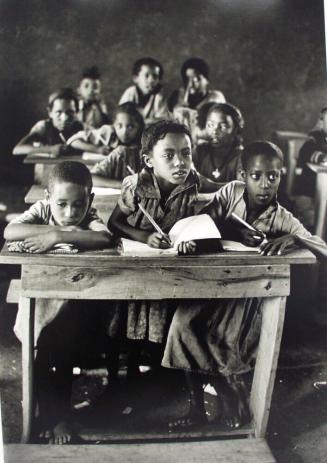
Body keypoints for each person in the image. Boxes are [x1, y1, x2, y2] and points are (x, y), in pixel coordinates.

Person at [162, 141, 326, 430]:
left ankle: (230, 391)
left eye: (273, 176)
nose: (265, 185)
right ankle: (202, 404)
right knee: (181, 326)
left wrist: (293, 239)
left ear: (280, 175)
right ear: (243, 174)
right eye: (256, 175)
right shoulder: (230, 192)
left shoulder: (280, 217)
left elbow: (320, 246)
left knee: (222, 340)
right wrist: (225, 231)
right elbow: (204, 223)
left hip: (244, 298)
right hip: (211, 285)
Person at [4, 161, 112, 444]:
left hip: (75, 308)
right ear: (47, 198)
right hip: (42, 306)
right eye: (61, 204)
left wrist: (58, 235)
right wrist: (51, 231)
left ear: (89, 200)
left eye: (78, 205)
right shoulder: (41, 211)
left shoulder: (89, 215)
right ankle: (49, 416)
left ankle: (58, 417)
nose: (70, 213)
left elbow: (103, 236)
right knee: (41, 354)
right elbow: (10, 232)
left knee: (60, 355)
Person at [105, 120, 199, 376]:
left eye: (186, 153)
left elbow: (211, 202)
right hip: (131, 264)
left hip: (165, 265)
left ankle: (152, 378)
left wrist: (191, 237)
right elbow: (114, 223)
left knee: (156, 321)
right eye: (168, 155)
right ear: (149, 160)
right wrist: (144, 236)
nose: (180, 161)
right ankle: (116, 382)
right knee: (122, 323)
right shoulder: (136, 186)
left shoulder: (193, 182)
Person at [68, 103, 144, 185]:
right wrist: (97, 149)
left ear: (140, 127)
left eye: (130, 127)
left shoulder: (144, 142)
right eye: (119, 126)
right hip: (103, 171)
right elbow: (73, 140)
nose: (124, 132)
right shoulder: (108, 132)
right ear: (114, 124)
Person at [12, 88, 83, 156]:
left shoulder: (81, 127)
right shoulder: (43, 126)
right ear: (50, 112)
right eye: (58, 112)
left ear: (76, 112)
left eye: (70, 112)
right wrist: (50, 149)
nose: (64, 118)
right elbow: (18, 149)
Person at [193, 102, 244, 183]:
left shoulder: (242, 158)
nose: (215, 131)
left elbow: (239, 190)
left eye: (223, 127)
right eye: (210, 125)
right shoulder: (200, 151)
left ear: (235, 129)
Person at [293, 106, 327, 229]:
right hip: (308, 194)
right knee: (313, 224)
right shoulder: (315, 138)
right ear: (321, 122)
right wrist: (323, 158)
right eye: (324, 120)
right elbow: (305, 153)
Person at [119, 57, 169, 124]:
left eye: (155, 76)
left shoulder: (160, 96)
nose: (151, 80)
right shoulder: (130, 93)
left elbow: (164, 120)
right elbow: (122, 117)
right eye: (146, 76)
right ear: (136, 78)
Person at [77, 65, 109, 129]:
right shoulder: (76, 106)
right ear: (79, 90)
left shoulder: (102, 107)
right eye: (86, 86)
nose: (91, 90)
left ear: (100, 89)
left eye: (95, 87)